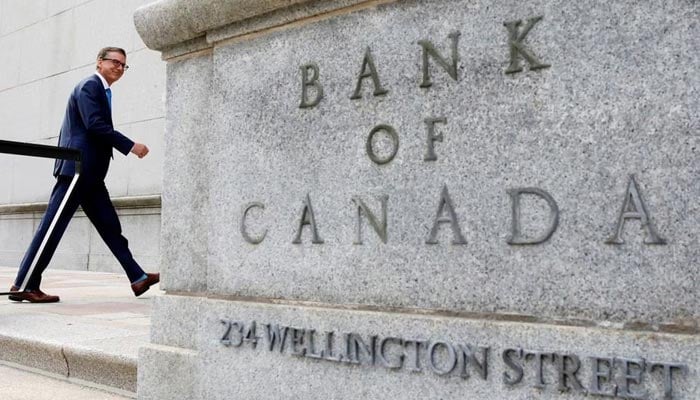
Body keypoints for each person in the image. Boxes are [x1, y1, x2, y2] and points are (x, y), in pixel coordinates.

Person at [9, 47, 159, 303]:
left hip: (91, 175)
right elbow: (95, 125)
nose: (119, 68)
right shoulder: (90, 86)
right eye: (115, 62)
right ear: (99, 62)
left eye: (124, 65)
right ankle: (24, 285)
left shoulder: (101, 90)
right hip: (76, 171)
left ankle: (137, 277)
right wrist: (130, 145)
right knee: (52, 227)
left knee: (111, 227)